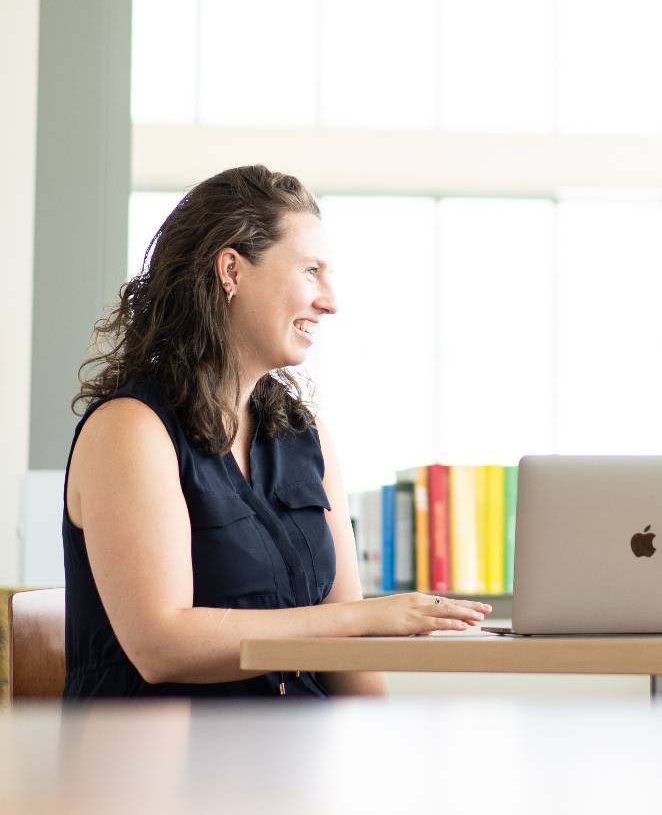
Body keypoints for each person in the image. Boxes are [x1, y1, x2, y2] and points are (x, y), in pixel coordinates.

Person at [64, 165, 489, 698]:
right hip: (167, 769)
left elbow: (352, 669)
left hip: (296, 761)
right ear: (231, 271)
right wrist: (362, 620)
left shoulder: (305, 436)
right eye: (311, 271)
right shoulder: (130, 431)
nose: (331, 301)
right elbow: (161, 645)